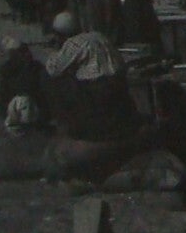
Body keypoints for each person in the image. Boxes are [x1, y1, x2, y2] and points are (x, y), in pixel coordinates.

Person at [42, 11, 139, 141]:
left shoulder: (73, 43)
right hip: (120, 82)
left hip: (96, 89)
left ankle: (69, 126)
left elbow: (53, 69)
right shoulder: (98, 35)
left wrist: (55, 50)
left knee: (50, 79)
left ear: (59, 35)